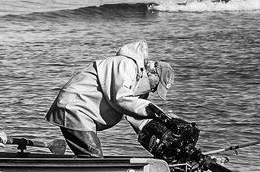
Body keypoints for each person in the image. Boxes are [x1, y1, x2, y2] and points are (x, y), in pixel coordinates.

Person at [44, 40, 177, 157]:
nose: (153, 90)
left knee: (91, 156)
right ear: (152, 73)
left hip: (84, 113)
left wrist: (163, 126)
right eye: (156, 86)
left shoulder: (138, 86)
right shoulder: (126, 65)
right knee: (93, 157)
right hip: (74, 107)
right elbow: (121, 99)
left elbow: (137, 117)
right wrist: (155, 111)